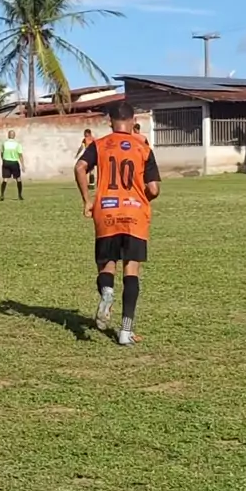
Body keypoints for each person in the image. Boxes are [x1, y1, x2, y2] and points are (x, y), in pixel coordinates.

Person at [74, 101, 161, 346]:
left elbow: (80, 167)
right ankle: (125, 331)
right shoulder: (143, 148)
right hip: (134, 215)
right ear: (133, 121)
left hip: (106, 211)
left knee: (106, 264)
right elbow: (154, 188)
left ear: (110, 121)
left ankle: (107, 292)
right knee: (131, 270)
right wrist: (141, 197)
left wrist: (87, 200)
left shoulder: (99, 144)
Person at [0, 129, 25, 201]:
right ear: (14, 136)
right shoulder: (17, 144)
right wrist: (23, 165)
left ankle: (2, 195)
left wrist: (3, 160)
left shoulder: (4, 143)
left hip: (6, 162)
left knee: (5, 179)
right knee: (18, 179)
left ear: (8, 135)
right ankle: (20, 195)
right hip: (14, 162)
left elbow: (1, 153)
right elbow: (20, 155)